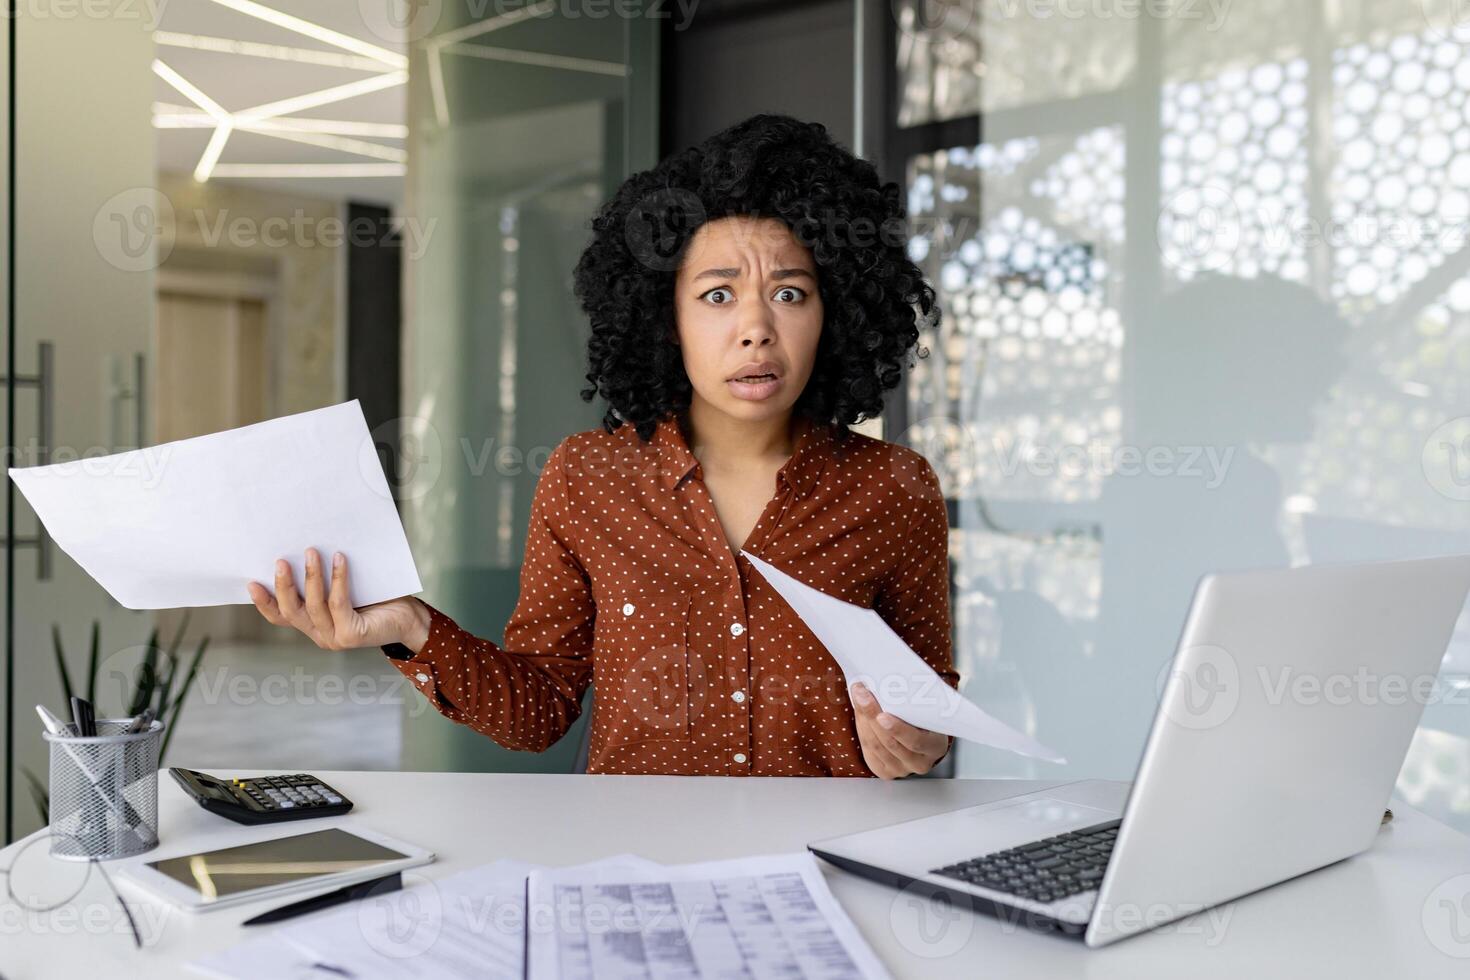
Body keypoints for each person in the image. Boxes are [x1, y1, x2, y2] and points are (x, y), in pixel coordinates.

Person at [248, 114, 958, 778]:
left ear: (833, 314)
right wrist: (408, 625)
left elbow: (931, 713)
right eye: (717, 294)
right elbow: (537, 712)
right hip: (640, 873)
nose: (756, 328)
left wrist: (917, 744)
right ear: (664, 314)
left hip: (828, 870)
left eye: (791, 293)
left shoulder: (897, 488)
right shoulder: (586, 478)